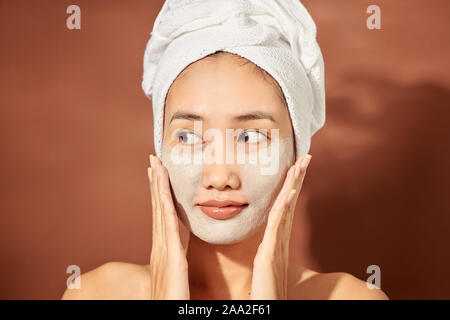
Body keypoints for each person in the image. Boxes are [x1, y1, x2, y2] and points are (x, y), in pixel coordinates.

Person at [62, 0, 389, 300]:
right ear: (160, 148)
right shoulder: (96, 294)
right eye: (189, 138)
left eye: (250, 137)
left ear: (297, 152)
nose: (219, 177)